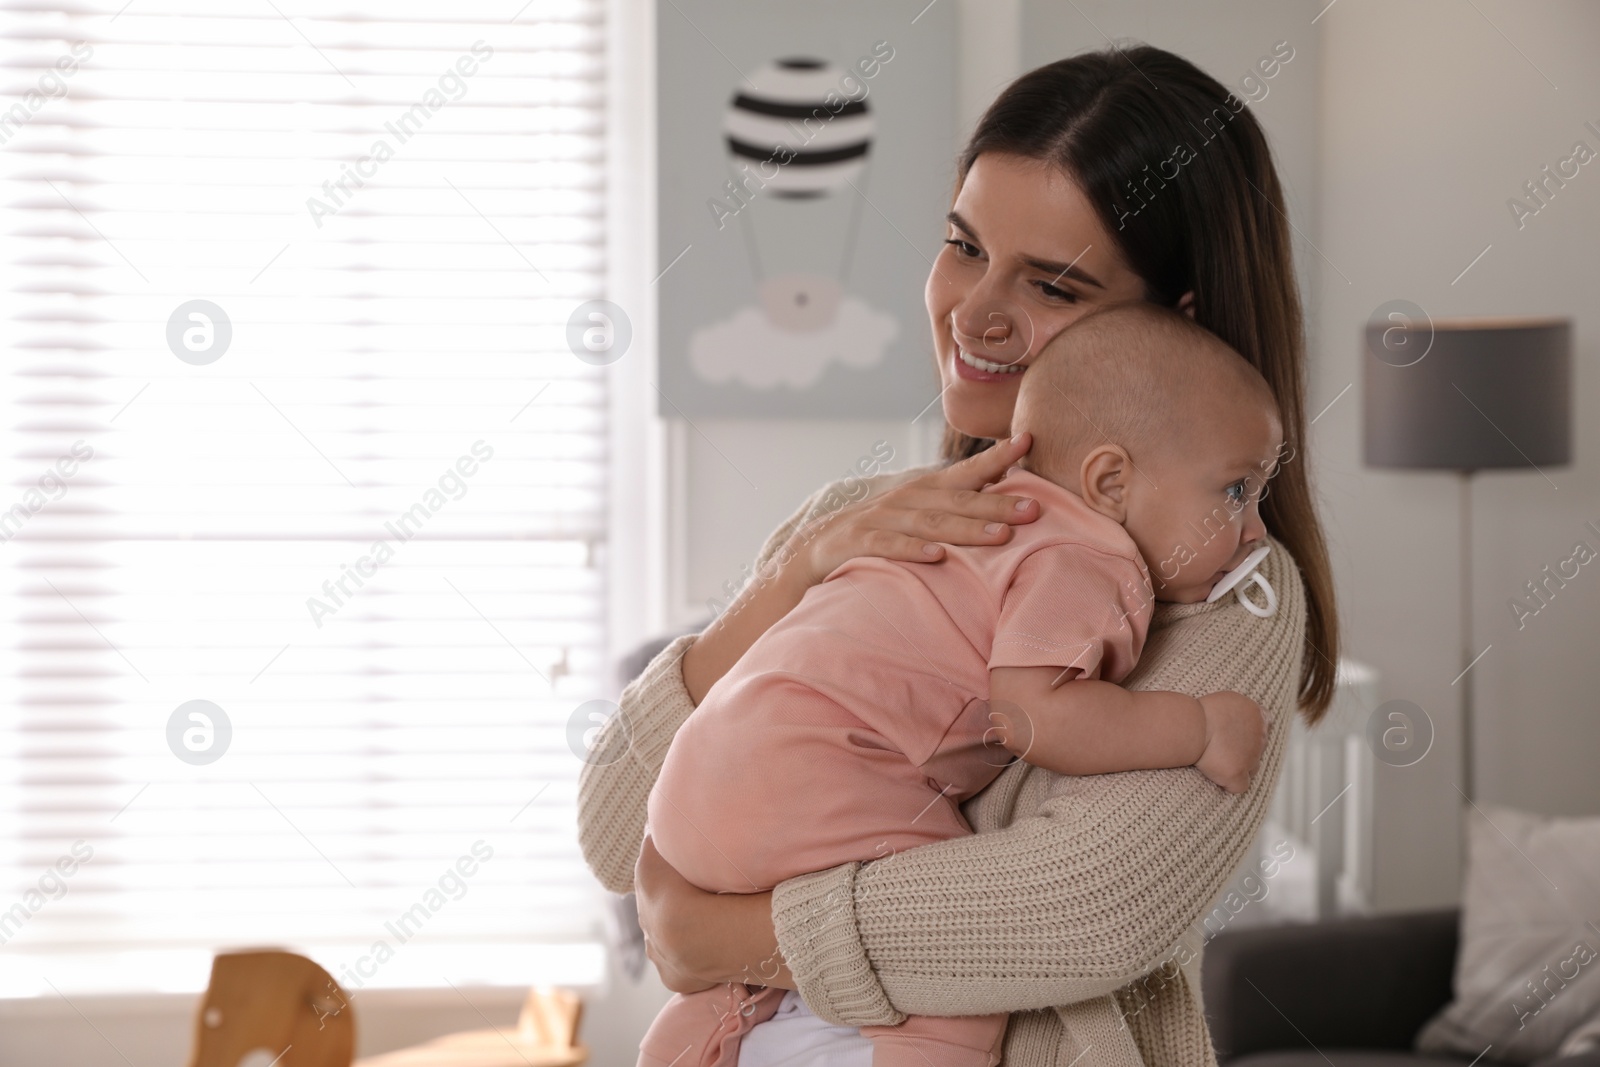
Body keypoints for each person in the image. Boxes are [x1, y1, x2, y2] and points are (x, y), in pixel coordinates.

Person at [580, 43, 1340, 1067]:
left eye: (1052, 286)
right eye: (963, 245)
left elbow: (1081, 910)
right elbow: (616, 832)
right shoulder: (861, 515)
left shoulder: (1227, 593)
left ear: (1174, 322)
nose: (973, 312)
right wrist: (790, 575)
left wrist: (711, 933)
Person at [636, 304, 1284, 1067]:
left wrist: (696, 930)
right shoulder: (1090, 555)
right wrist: (1198, 729)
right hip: (811, 764)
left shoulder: (969, 515)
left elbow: (1097, 906)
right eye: (1236, 492)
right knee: (960, 993)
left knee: (732, 986)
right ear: (1109, 480)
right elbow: (1031, 714)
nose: (1257, 532)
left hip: (696, 784)